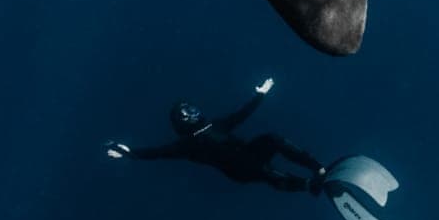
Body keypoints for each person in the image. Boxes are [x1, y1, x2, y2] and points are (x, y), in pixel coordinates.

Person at [105, 78, 328, 195]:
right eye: (186, 112)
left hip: (249, 154)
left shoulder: (216, 125)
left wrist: (259, 95)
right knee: (266, 172)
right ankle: (308, 184)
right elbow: (157, 153)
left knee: (272, 141)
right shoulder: (187, 145)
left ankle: (317, 170)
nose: (193, 112)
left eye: (191, 108)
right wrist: (128, 153)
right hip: (239, 169)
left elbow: (241, 114)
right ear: (182, 121)